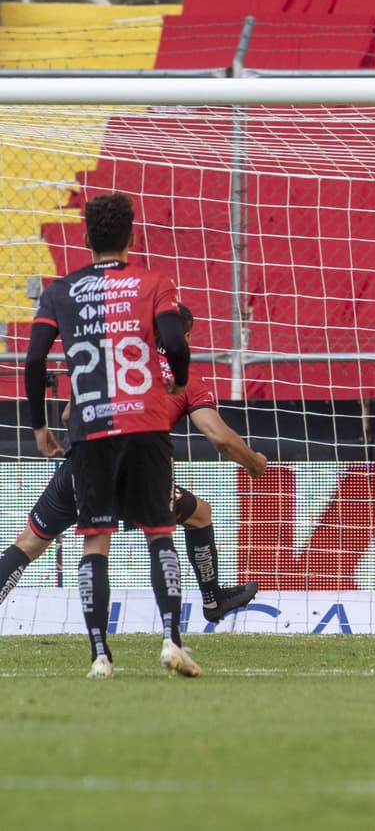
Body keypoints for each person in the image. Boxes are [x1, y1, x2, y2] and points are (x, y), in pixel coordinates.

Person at [23, 193, 204, 679]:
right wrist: (181, 381)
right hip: (145, 424)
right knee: (160, 532)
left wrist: (39, 424)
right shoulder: (154, 283)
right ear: (132, 236)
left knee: (94, 539)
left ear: (85, 238)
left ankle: (100, 655)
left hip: (90, 427)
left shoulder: (59, 291)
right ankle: (171, 641)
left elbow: (36, 359)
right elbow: (171, 341)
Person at [0, 304, 268, 627]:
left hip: (83, 466)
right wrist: (254, 463)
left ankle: (101, 647)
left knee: (30, 543)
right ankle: (207, 605)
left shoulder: (110, 357)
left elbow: (70, 415)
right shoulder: (186, 378)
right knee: (181, 526)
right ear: (182, 337)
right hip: (139, 473)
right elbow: (218, 436)